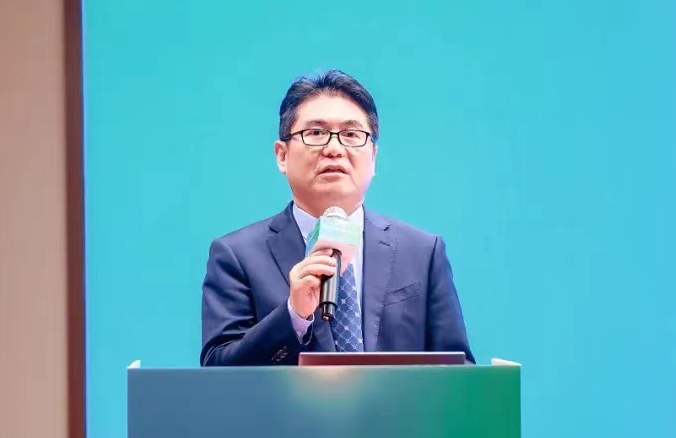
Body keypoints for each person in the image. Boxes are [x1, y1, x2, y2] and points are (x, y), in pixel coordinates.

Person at [200, 69, 474, 366]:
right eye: (315, 133)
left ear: (373, 157)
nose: (334, 149)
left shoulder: (422, 253)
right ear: (282, 155)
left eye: (351, 135)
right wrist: (293, 315)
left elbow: (459, 374)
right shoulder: (237, 256)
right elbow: (218, 372)